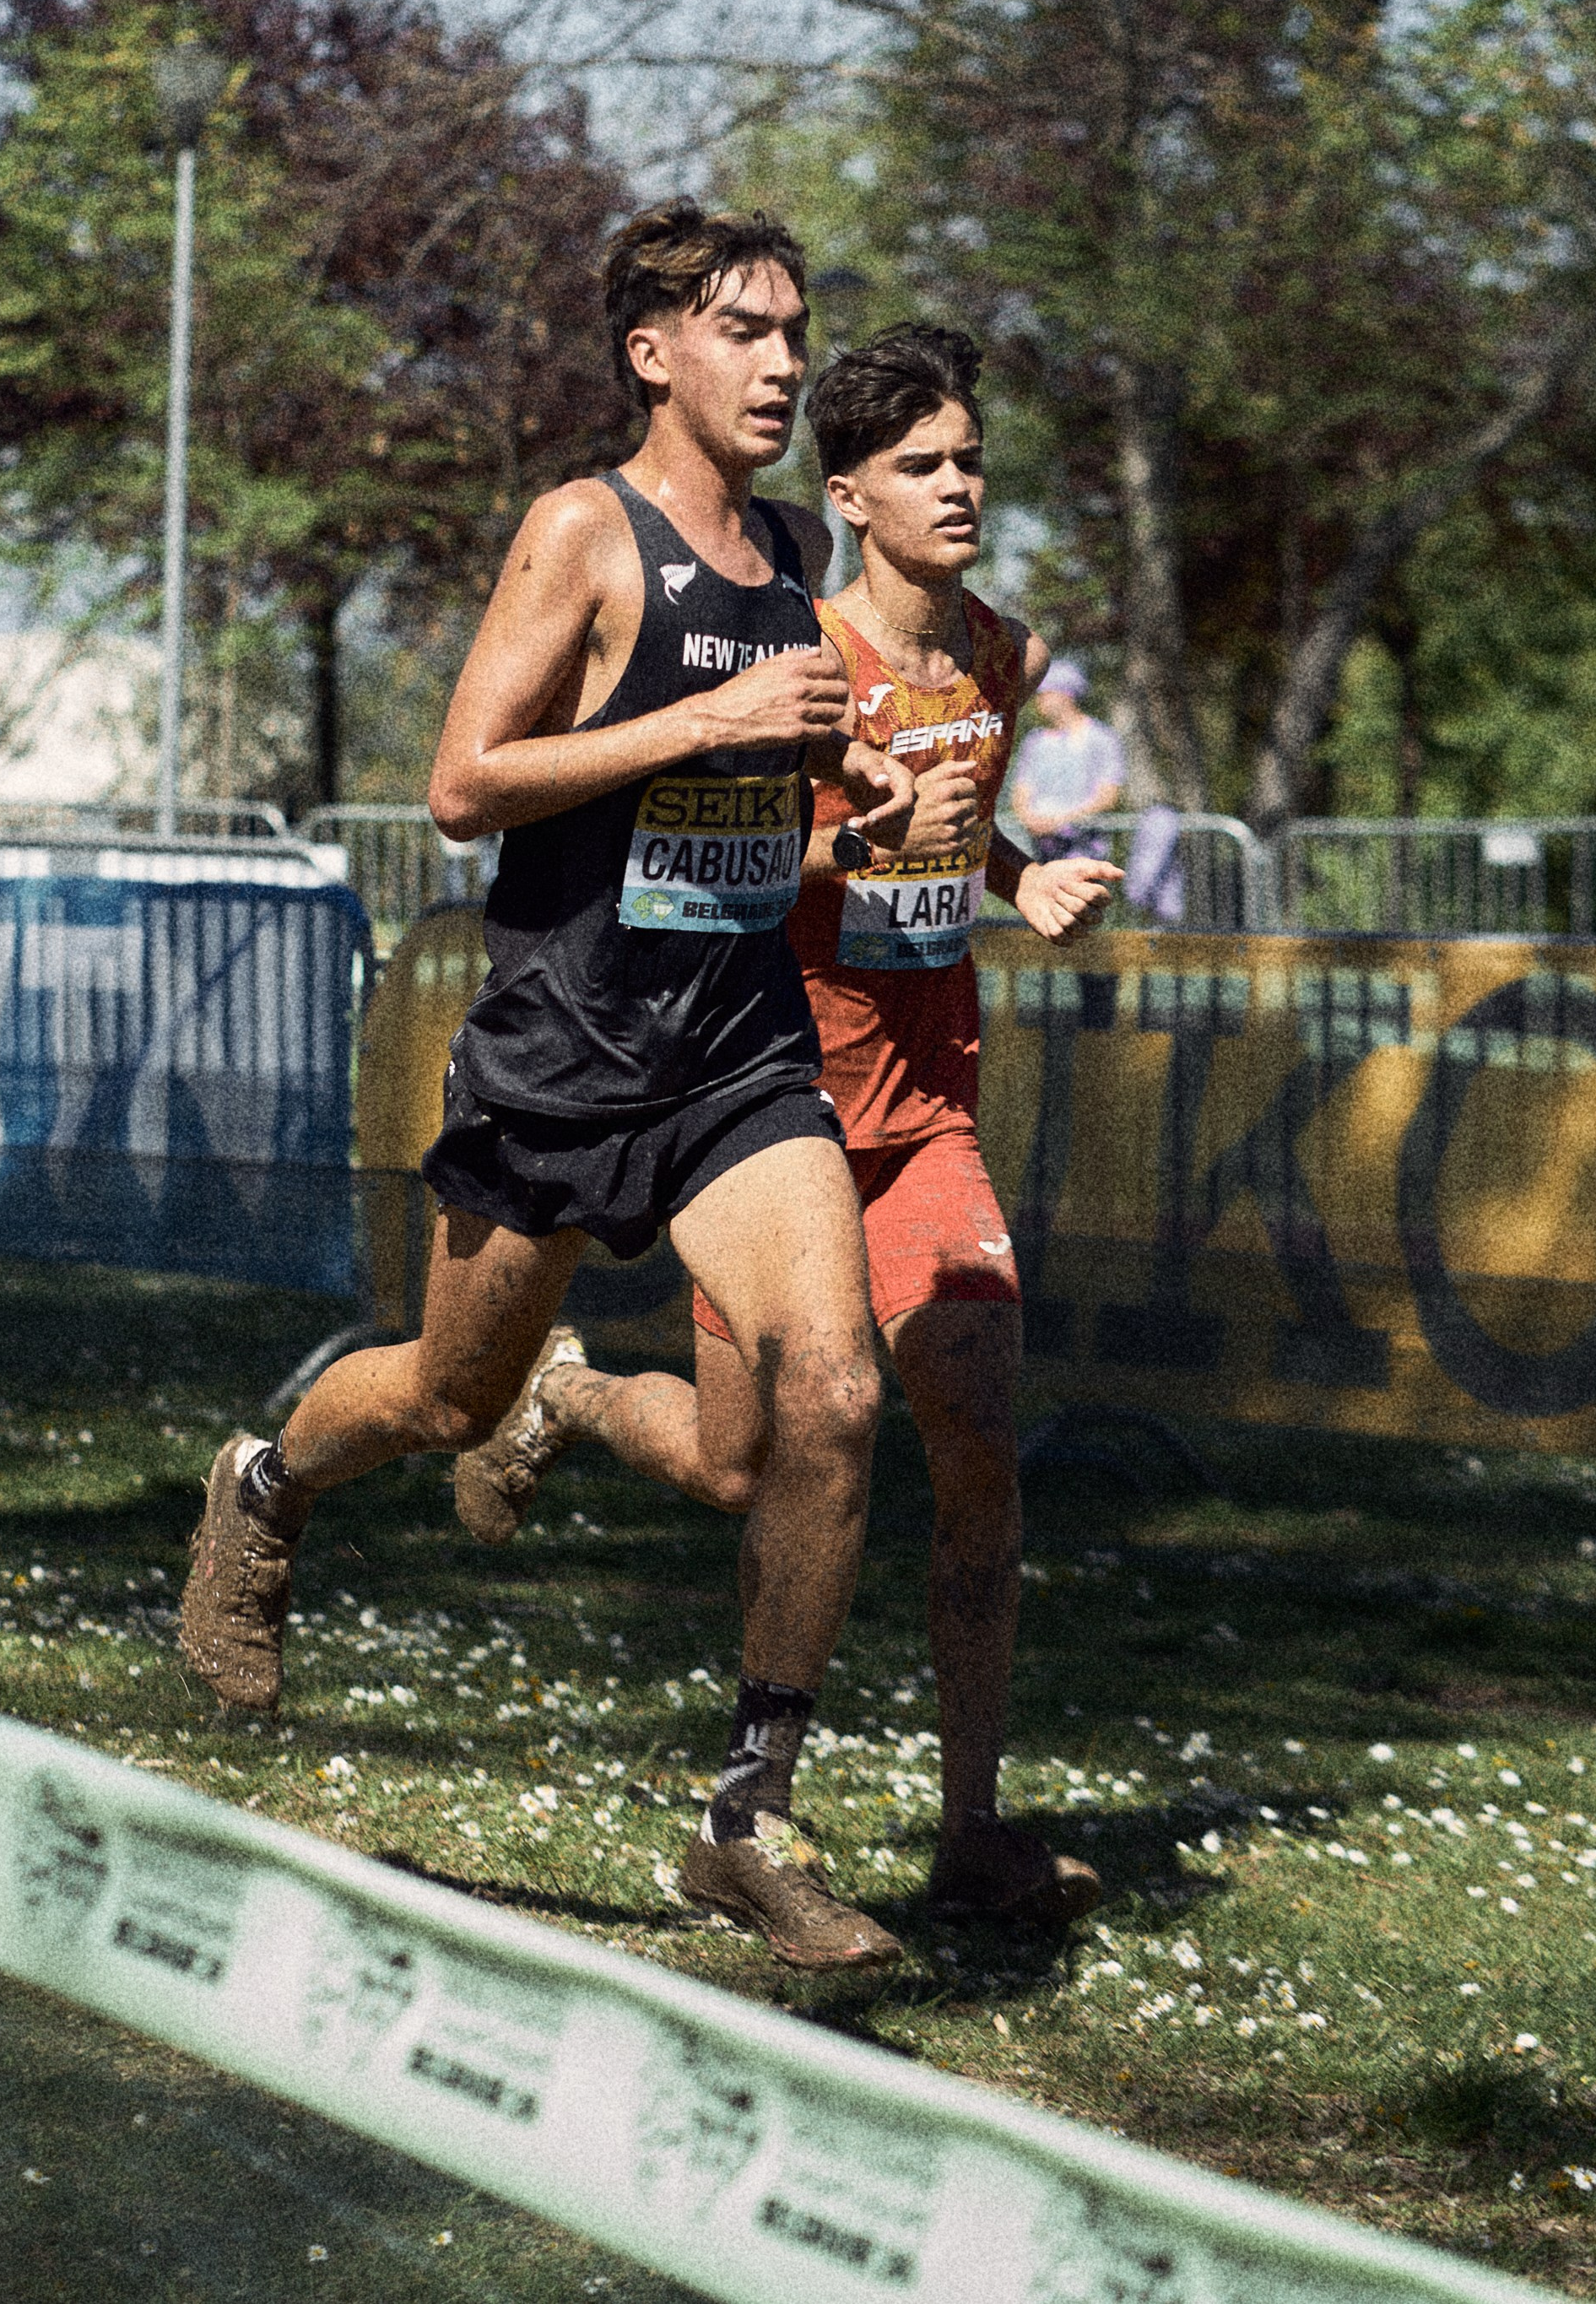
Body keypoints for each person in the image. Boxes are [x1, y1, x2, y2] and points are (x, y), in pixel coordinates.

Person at [181, 200, 921, 1971]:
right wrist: (701, 729)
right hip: (561, 1053)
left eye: (791, 332)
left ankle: (747, 1819)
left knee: (829, 1389)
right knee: (446, 1398)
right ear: (649, 353)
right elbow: (462, 781)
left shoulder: (791, 562)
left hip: (737, 1055)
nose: (781, 363)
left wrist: (853, 806)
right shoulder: (582, 534)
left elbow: (762, 809)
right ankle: (267, 1486)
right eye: (743, 331)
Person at [455, 324, 1123, 1928]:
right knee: (738, 1461)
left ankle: (969, 1828)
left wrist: (1018, 877)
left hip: (929, 1111)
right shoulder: (792, 648)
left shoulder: (1003, 655)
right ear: (849, 494)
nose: (962, 487)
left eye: (972, 461)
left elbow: (974, 821)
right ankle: (565, 1398)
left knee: (971, 1427)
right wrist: (866, 846)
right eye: (926, 467)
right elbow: (730, 862)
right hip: (774, 1102)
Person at [1008, 660, 1125, 862]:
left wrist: (1061, 822)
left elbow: (1109, 795)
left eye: (1045, 694)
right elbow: (1021, 792)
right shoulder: (1035, 742)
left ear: (1067, 695)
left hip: (1085, 849)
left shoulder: (1101, 738)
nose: (1039, 701)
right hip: (1041, 849)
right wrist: (1031, 820)